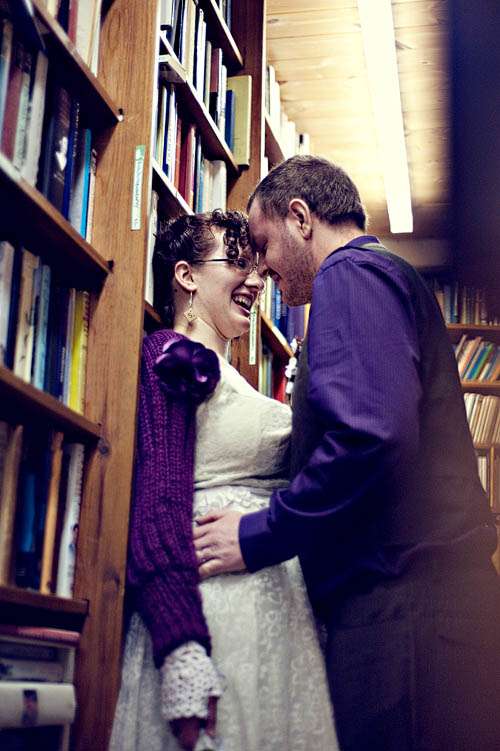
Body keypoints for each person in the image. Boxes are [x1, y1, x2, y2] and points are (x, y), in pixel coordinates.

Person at [193, 157, 500, 751]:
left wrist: (259, 534)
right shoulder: (380, 275)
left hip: (405, 619)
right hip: (428, 616)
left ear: (300, 218)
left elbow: (368, 437)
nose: (262, 268)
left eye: (263, 245)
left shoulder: (350, 274)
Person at [109, 209, 338, 751]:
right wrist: (182, 649)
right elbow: (158, 502)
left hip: (267, 617)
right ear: (186, 275)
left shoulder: (236, 374)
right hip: (214, 614)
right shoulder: (171, 358)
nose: (257, 281)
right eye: (237, 262)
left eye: (258, 267)